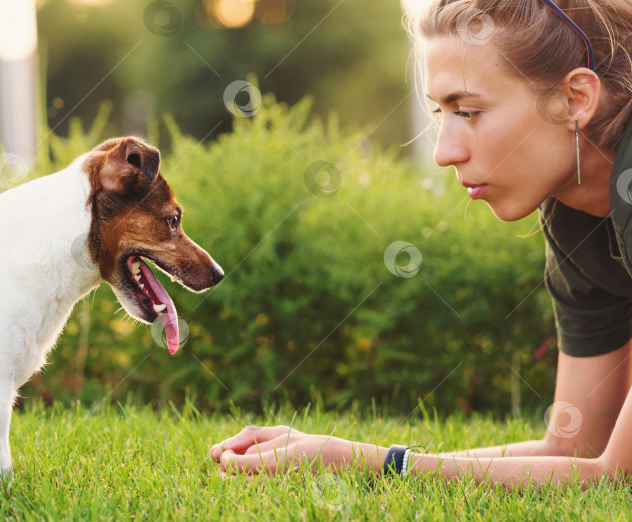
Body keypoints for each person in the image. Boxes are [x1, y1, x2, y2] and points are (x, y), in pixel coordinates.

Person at [209, 0, 632, 489]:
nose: (442, 152)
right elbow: (575, 448)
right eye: (441, 113)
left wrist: (377, 464)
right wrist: (332, 451)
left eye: (468, 111)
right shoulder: (573, 214)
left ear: (575, 99)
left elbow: (618, 474)